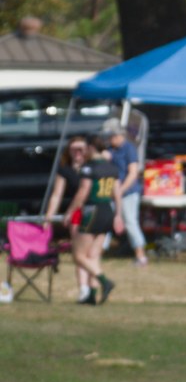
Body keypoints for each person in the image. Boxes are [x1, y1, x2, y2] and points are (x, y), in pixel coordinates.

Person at [63, 136, 123, 305]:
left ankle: (104, 281)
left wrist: (70, 212)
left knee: (79, 255)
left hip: (93, 210)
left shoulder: (89, 168)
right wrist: (118, 214)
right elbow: (117, 193)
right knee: (93, 255)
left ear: (90, 148)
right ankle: (91, 295)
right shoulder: (111, 168)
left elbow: (83, 192)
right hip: (107, 210)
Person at [44, 135, 92, 300]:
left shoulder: (93, 166)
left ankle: (93, 286)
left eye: (81, 149)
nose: (78, 152)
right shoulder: (65, 169)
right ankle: (84, 288)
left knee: (92, 253)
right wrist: (48, 217)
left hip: (96, 211)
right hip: (77, 212)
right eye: (74, 149)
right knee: (80, 252)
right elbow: (56, 195)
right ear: (69, 151)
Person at [103, 118, 148, 267]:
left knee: (130, 222)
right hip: (111, 193)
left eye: (110, 136)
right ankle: (98, 253)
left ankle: (141, 256)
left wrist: (121, 190)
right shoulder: (109, 150)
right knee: (105, 222)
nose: (109, 139)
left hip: (128, 193)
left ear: (117, 135)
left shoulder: (129, 148)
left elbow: (133, 173)